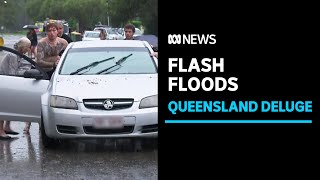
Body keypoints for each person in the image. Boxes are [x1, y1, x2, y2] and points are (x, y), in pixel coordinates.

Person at [0, 37, 32, 139]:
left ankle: (7, 127)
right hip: (5, 82)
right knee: (3, 107)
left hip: (7, 81)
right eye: (28, 47)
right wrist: (25, 71)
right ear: (22, 47)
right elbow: (13, 73)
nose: (29, 49)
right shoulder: (13, 56)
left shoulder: (18, 55)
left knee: (8, 106)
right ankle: (0, 131)